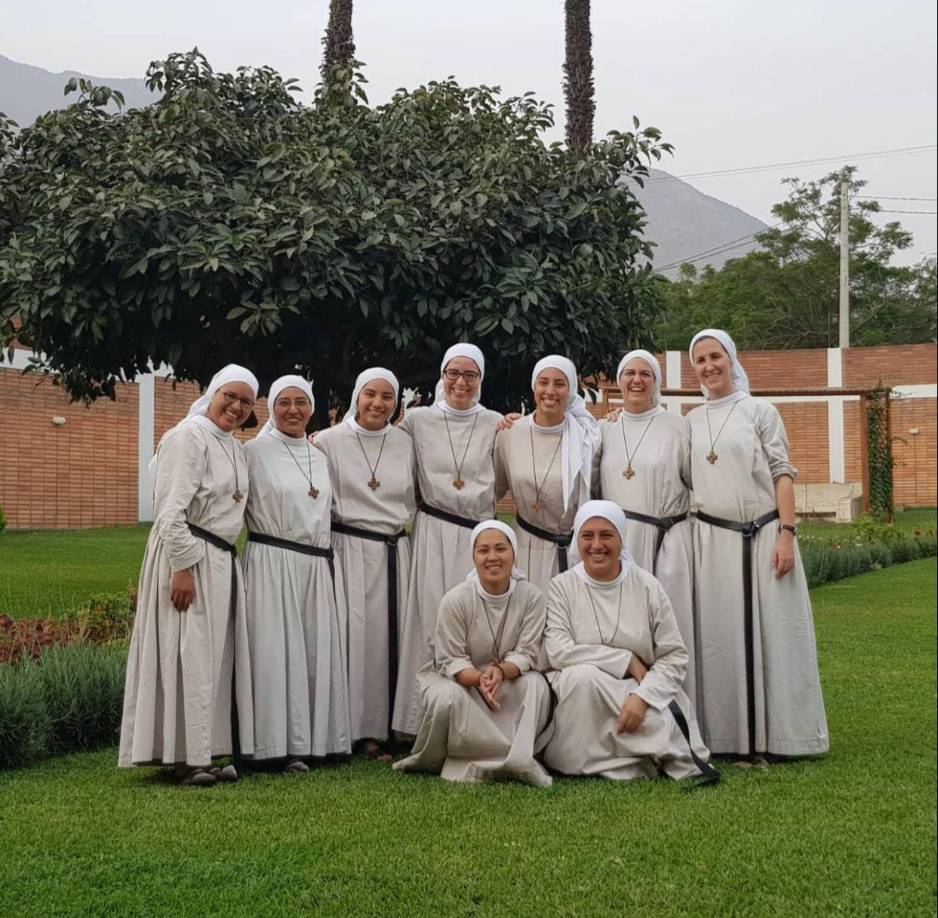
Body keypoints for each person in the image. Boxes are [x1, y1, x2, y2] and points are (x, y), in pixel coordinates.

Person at [688, 329, 828, 762]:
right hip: (713, 541)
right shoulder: (690, 420)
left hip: (764, 534)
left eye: (716, 356)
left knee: (776, 635)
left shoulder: (760, 411)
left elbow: (782, 473)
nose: (709, 366)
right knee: (720, 638)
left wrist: (787, 532)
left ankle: (784, 738)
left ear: (731, 359)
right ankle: (727, 738)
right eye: (700, 360)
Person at [119, 364, 258, 786]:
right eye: (229, 396)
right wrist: (182, 567)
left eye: (246, 401)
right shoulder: (188, 436)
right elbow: (169, 510)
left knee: (211, 657)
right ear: (212, 393)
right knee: (187, 652)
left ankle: (204, 750)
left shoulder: (233, 445)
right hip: (188, 556)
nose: (236, 407)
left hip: (219, 558)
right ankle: (184, 758)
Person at [542, 500, 716, 783]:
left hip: (637, 687)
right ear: (577, 540)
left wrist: (643, 697)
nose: (596, 545)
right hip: (585, 694)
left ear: (621, 539)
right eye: (587, 536)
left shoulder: (647, 586)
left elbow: (674, 656)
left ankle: (635, 757)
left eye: (606, 535)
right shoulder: (561, 587)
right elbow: (559, 652)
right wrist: (624, 660)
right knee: (582, 677)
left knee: (658, 722)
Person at [241, 375, 351, 772]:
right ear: (271, 408)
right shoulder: (252, 452)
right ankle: (271, 744)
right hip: (271, 562)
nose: (293, 410)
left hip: (315, 566)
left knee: (311, 652)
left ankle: (312, 741)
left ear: (311, 408)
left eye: (301, 402)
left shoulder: (319, 455)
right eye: (284, 403)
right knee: (274, 653)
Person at [393, 343, 503, 736]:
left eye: (470, 374)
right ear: (442, 376)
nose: (460, 381)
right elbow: (376, 440)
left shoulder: (496, 423)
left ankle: (474, 722)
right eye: (452, 373)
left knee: (476, 626)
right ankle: (420, 721)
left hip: (477, 536)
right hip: (433, 531)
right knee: (428, 622)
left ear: (481, 379)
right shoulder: (418, 420)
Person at [394, 521, 552, 787]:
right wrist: (480, 679)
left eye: (500, 549)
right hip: (463, 682)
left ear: (514, 553)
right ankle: (451, 757)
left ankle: (519, 758)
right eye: (483, 550)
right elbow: (450, 659)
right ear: (474, 556)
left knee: (536, 685)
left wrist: (499, 672)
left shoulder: (532, 597)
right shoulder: (455, 599)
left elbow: (527, 653)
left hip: (508, 679)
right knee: (446, 697)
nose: (492, 557)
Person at [314, 368, 415, 762]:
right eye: (370, 394)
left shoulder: (405, 442)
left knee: (390, 639)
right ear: (356, 396)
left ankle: (386, 726)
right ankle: (352, 728)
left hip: (394, 550)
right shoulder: (328, 441)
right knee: (353, 637)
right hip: (349, 548)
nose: (378, 403)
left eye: (387, 396)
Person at [594, 350, 697, 707]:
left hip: (667, 543)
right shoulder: (605, 429)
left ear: (656, 382)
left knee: (670, 630)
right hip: (620, 548)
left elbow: (696, 481)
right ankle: (623, 710)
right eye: (629, 373)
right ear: (619, 381)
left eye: (645, 374)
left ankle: (677, 713)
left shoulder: (678, 426)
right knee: (622, 631)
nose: (636, 380)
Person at [494, 355, 599, 587]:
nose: (550, 391)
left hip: (573, 553)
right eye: (543, 382)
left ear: (571, 391)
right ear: (534, 387)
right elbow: (493, 490)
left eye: (559, 384)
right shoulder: (509, 433)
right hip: (524, 549)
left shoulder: (587, 439)